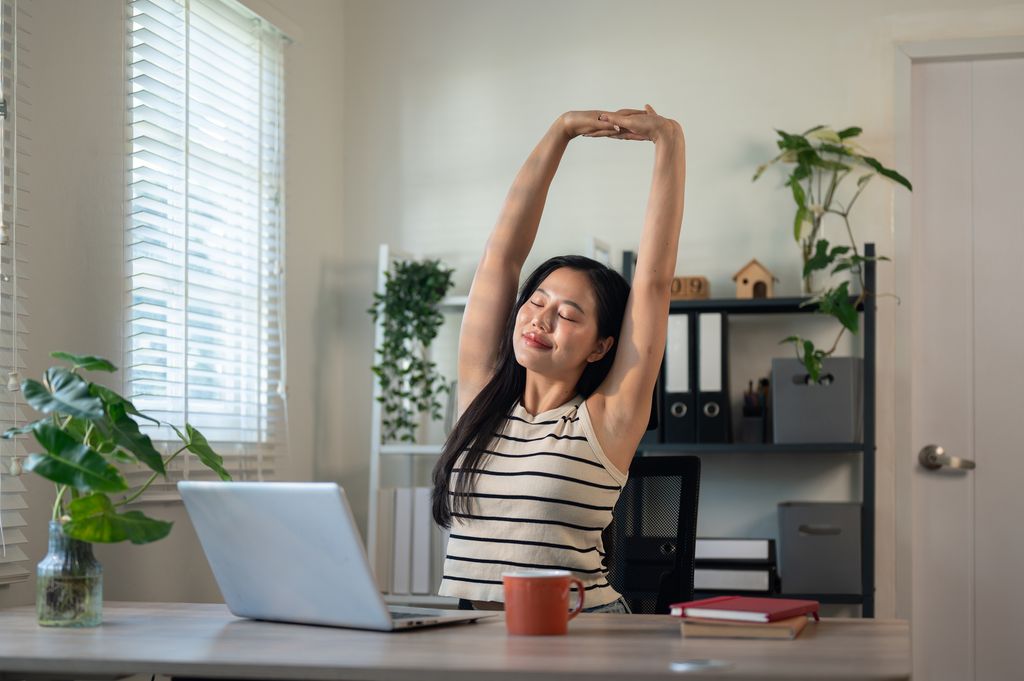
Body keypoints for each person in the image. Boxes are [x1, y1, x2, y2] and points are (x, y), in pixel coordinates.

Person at [432, 105, 686, 613]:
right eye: (537, 301)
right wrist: (561, 130)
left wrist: (669, 140)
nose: (541, 320)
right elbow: (501, 255)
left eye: (568, 314)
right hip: (463, 636)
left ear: (600, 346)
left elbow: (655, 282)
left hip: (578, 639)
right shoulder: (482, 398)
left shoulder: (606, 420)